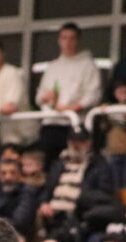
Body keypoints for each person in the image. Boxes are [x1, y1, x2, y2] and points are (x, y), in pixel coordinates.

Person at [35, 23, 102, 158]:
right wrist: (46, 97)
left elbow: (93, 95)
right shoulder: (52, 66)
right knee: (47, 159)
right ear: (59, 40)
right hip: (52, 123)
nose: (68, 42)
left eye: (72, 38)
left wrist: (72, 108)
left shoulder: (88, 65)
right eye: (64, 38)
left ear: (78, 40)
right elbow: (39, 97)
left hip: (76, 123)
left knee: (74, 160)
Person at [0, 40, 37, 152]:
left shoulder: (12, 72)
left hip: (25, 128)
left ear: (2, 54)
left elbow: (12, 104)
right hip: (4, 132)